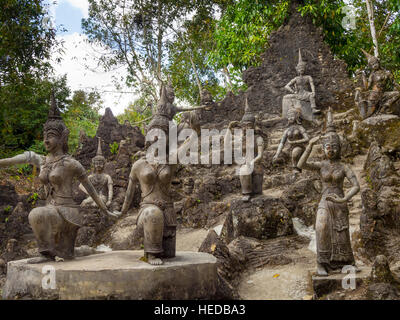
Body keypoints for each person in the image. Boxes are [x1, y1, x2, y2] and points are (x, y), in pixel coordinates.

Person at [0, 92, 119, 263]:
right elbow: (16, 159)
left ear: (63, 137)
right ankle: (51, 253)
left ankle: (73, 252)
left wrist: (105, 209)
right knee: (66, 247)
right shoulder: (43, 160)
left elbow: (91, 189)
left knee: (43, 221)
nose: (46, 141)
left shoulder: (71, 163)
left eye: (51, 136)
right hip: (51, 211)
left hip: (67, 214)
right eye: (45, 136)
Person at [121, 84, 200, 265]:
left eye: (162, 134)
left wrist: (195, 127)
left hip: (168, 213)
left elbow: (192, 139)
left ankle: (158, 249)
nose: (157, 138)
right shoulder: (139, 165)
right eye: (153, 134)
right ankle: (151, 254)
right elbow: (128, 197)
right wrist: (117, 212)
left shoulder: (171, 160)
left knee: (170, 256)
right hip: (148, 212)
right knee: (153, 214)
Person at [297, 108, 360, 276]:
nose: (330, 149)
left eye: (333, 146)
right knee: (321, 226)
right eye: (327, 147)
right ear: (323, 149)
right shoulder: (321, 165)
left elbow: (356, 185)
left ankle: (347, 262)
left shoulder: (344, 166)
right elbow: (301, 164)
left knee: (342, 232)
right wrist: (309, 145)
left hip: (339, 200)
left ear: (339, 148)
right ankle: (322, 263)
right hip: (325, 200)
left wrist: (345, 198)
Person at [355, 49, 400, 119]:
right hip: (374, 95)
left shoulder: (386, 73)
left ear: (378, 62)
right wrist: (363, 76)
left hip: (383, 94)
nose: (374, 65)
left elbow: (394, 83)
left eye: (375, 63)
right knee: (369, 113)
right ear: (370, 66)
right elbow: (367, 87)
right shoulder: (372, 75)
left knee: (397, 93)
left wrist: (397, 86)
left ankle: (385, 107)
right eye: (372, 65)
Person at [283, 48, 320, 117]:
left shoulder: (308, 77)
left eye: (302, 68)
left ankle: (313, 109)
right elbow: (286, 86)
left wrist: (313, 91)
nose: (301, 70)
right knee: (286, 97)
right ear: (297, 70)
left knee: (311, 95)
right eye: (300, 69)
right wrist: (293, 91)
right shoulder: (296, 79)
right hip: (298, 94)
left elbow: (312, 84)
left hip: (306, 93)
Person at [79, 137, 113, 208]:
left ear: (104, 164)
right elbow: (80, 185)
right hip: (93, 197)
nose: (98, 165)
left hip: (102, 197)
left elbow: (110, 190)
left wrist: (109, 200)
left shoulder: (107, 177)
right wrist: (89, 193)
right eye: (96, 163)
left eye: (100, 163)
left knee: (95, 205)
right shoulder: (91, 177)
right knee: (84, 203)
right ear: (94, 164)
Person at [273, 107, 309, 172]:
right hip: (289, 148)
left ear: (296, 116)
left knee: (295, 152)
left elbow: (307, 138)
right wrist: (277, 154)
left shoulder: (300, 128)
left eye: (292, 116)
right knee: (279, 157)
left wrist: (294, 142)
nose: (290, 118)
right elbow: (282, 143)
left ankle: (296, 167)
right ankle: (282, 169)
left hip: (299, 146)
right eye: (289, 117)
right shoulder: (287, 130)